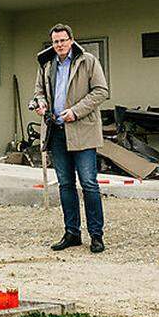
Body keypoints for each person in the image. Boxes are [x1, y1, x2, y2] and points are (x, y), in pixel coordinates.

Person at [29, 23, 110, 253]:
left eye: (63, 40)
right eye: (55, 41)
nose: (60, 45)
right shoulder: (46, 63)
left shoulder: (88, 61)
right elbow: (38, 91)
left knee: (89, 184)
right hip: (56, 131)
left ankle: (96, 235)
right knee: (65, 185)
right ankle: (72, 232)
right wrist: (40, 103)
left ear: (71, 40)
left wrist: (76, 111)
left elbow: (101, 91)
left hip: (82, 130)